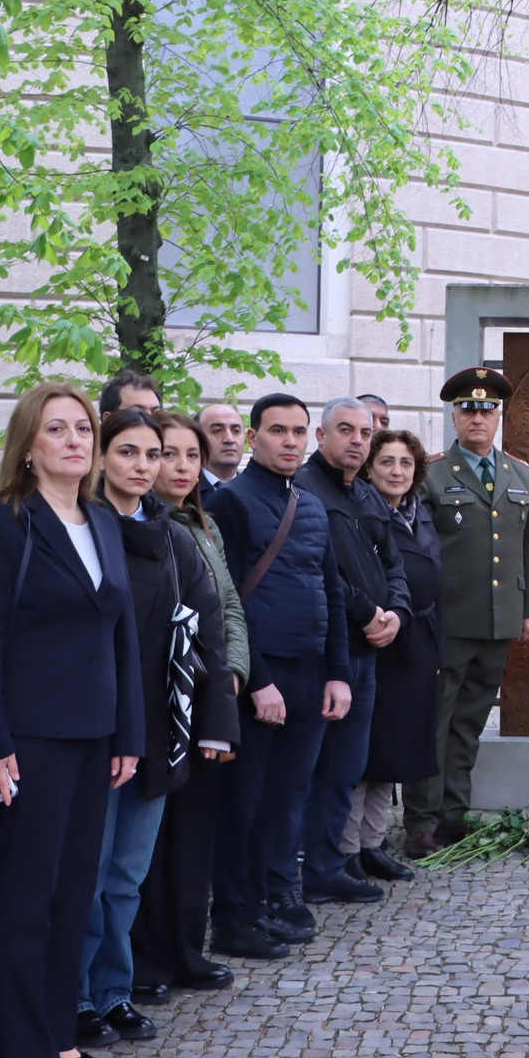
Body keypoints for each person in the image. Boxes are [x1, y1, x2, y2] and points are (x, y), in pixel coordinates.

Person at [0, 381, 143, 1058]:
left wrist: (128, 728)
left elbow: (120, 632)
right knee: (30, 890)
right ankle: (26, 1042)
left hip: (96, 732)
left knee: (76, 890)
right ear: (28, 446)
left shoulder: (100, 521)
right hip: (28, 736)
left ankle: (60, 1030)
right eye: (57, 429)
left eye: (83, 429)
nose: (75, 440)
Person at [74, 411, 238, 1051]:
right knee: (87, 878)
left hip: (161, 725)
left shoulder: (173, 538)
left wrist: (216, 722)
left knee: (124, 877)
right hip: (101, 730)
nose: (143, 466)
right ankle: (79, 996)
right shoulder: (84, 529)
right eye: (129, 452)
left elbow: (209, 632)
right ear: (103, 458)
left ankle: (114, 992)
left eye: (154, 454)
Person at [205, 394, 353, 958]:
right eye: (277, 431)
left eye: (297, 432)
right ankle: (236, 915)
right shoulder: (232, 503)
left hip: (310, 670)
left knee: (289, 795)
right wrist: (259, 678)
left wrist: (338, 672)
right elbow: (227, 603)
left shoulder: (310, 503)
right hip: (256, 679)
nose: (289, 442)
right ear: (252, 437)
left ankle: (277, 893)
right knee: (245, 801)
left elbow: (330, 591)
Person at [131, 413, 250, 1001]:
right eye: (167, 455)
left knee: (193, 836)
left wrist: (232, 672)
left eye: (188, 456)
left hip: (206, 692)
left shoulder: (203, 524)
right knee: (152, 841)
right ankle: (148, 957)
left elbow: (226, 605)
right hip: (162, 701)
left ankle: (185, 948)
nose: (179, 468)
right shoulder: (137, 525)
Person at [410, 368, 529, 858]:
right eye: (468, 409)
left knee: (469, 721)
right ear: (453, 415)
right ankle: (421, 822)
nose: (478, 417)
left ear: (499, 417)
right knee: (434, 722)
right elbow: (418, 550)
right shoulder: (430, 472)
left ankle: (453, 814)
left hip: (498, 620)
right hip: (447, 620)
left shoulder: (520, 473)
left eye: (488, 410)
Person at [295, 398, 410, 903]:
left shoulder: (366, 493)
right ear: (321, 436)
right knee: (314, 769)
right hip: (326, 652)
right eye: (346, 430)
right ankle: (303, 869)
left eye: (365, 432)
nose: (358, 440)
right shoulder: (304, 490)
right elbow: (320, 573)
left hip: (368, 653)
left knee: (348, 766)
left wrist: (397, 614)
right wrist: (367, 613)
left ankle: (328, 865)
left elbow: (394, 567)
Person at [350, 428, 443, 882]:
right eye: (386, 461)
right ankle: (348, 850)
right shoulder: (362, 511)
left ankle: (373, 842)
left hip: (416, 642)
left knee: (397, 749)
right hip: (378, 641)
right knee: (365, 754)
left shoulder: (417, 511)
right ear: (369, 467)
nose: (396, 471)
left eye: (405, 463)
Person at [198, 402, 246, 492]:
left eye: (236, 431)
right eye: (217, 430)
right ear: (197, 438)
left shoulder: (260, 492)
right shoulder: (184, 492)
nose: (229, 439)